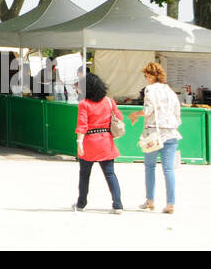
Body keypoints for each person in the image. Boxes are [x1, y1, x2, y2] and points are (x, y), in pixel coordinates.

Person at [130, 61, 182, 214]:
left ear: (152, 76)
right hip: (171, 132)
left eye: (146, 75)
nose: (146, 78)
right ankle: (171, 203)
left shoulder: (150, 89)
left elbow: (148, 110)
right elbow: (177, 111)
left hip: (154, 132)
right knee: (168, 169)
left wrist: (135, 115)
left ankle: (150, 200)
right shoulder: (169, 90)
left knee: (150, 167)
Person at [73, 73, 124, 214]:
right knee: (110, 174)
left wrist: (79, 142)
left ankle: (81, 204)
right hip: (106, 141)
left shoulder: (84, 104)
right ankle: (118, 204)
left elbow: (82, 125)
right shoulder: (109, 101)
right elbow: (119, 117)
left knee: (84, 174)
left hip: (89, 142)